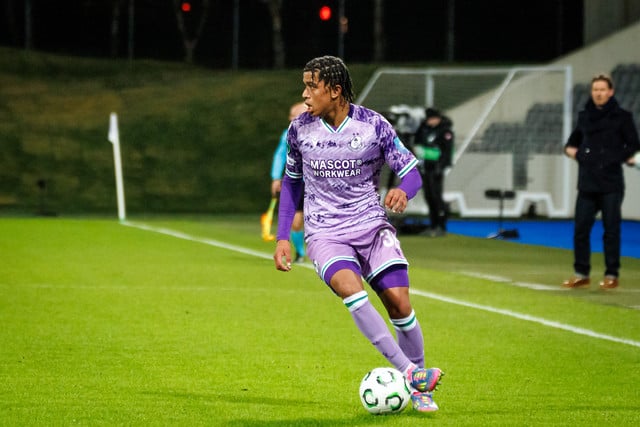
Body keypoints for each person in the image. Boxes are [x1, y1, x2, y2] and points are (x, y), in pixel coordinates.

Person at [273, 55, 443, 412]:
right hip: (326, 233)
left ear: (335, 90)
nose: (304, 95)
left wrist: (404, 191)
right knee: (351, 290)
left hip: (371, 227)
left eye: (312, 87)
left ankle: (419, 387)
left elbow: (411, 172)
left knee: (400, 305)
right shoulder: (300, 130)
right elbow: (291, 182)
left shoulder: (373, 126)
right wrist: (283, 236)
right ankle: (412, 374)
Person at [562, 73, 640, 290]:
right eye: (595, 89)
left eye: (602, 89)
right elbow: (570, 145)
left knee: (611, 230)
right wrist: (580, 156)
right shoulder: (584, 116)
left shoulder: (623, 117)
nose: (598, 93)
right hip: (587, 183)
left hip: (611, 183)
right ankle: (581, 273)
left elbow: (633, 144)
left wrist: (614, 157)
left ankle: (611, 274)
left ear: (610, 92)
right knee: (580, 229)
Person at [270, 102, 308, 262]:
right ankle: (300, 252)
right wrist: (276, 177)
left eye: (294, 116)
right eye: (291, 116)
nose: (291, 119)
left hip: (321, 185)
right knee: (296, 222)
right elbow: (280, 155)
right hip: (299, 182)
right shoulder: (288, 135)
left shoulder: (324, 133)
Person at [412, 108, 454, 236]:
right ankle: (433, 225)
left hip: (436, 168)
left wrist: (441, 167)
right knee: (428, 196)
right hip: (425, 167)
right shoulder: (425, 130)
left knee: (436, 196)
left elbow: (447, 151)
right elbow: (417, 142)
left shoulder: (445, 131)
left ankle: (441, 226)